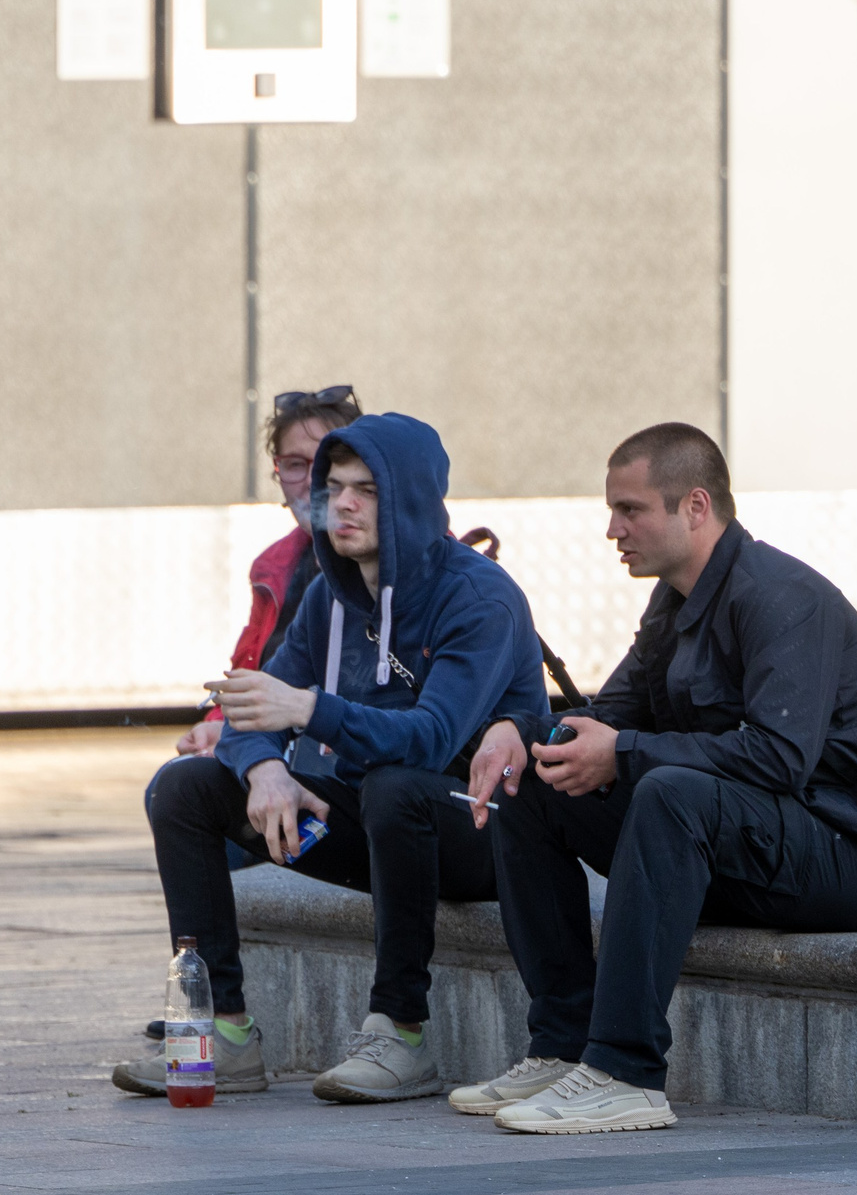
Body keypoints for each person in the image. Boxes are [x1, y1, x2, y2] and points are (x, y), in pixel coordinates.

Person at [454, 423, 857, 1133]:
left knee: (667, 788)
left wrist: (630, 751)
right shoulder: (675, 600)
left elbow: (776, 759)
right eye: (611, 510)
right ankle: (562, 1045)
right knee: (538, 780)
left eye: (631, 509)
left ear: (696, 507)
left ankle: (625, 1071)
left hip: (852, 853)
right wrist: (518, 733)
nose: (612, 528)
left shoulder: (781, 598)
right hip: (751, 841)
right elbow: (608, 715)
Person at [119, 414, 546, 1103]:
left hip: (489, 831)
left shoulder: (479, 596)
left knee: (396, 782)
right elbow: (250, 711)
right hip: (381, 823)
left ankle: (400, 1030)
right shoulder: (329, 593)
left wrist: (308, 709)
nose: (342, 503)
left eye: (366, 490)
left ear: (409, 498)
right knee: (185, 788)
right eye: (335, 486)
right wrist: (266, 769)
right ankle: (222, 1033)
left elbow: (432, 739)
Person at [176, 387, 363, 761]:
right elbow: (253, 672)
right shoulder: (275, 567)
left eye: (328, 462)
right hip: (280, 743)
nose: (313, 481)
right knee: (178, 785)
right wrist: (218, 726)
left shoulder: (415, 562)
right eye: (295, 465)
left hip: (363, 751)